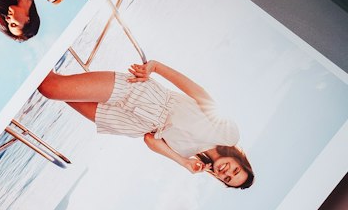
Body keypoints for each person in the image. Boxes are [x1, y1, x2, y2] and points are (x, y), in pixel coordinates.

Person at [37, 60, 255, 188]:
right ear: (240, 160)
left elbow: (150, 139)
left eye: (227, 178)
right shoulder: (228, 134)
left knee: (53, 92)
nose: (227, 172)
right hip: (147, 97)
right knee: (52, 87)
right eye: (236, 170)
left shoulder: (191, 157)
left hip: (132, 124)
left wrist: (183, 162)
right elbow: (198, 93)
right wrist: (156, 67)